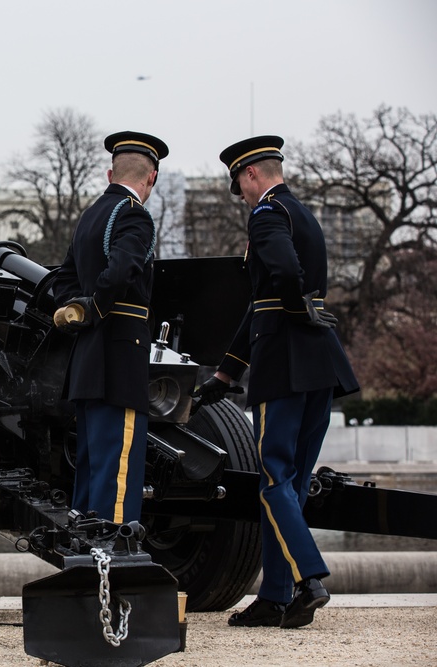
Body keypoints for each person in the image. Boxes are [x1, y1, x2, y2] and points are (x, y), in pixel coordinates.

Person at [194, 135, 359, 629]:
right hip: (318, 366)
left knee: (272, 478)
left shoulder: (267, 214)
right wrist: (226, 373)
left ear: (250, 175)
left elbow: (281, 282)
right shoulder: (305, 215)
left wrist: (292, 305)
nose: (242, 196)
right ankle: (274, 595)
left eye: (239, 186)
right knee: (291, 483)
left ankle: (309, 579)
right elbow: (262, 303)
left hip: (283, 364)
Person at [52, 130, 169, 525]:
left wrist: (79, 310)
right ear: (151, 177)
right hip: (120, 356)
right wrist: (98, 306)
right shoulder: (133, 215)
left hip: (87, 358)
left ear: (109, 174)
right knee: (118, 469)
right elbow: (121, 271)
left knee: (92, 464)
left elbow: (64, 279)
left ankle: (87, 551)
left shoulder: (89, 218)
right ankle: (114, 558)